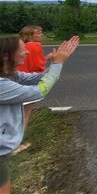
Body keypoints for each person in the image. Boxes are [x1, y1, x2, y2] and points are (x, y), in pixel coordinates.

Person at [0, 35, 80, 194]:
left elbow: (38, 79)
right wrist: (57, 64)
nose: (27, 53)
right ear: (6, 56)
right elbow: (39, 91)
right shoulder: (2, 84)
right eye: (22, 50)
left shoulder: (11, 75)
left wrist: (55, 63)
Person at [15, 26, 47, 141]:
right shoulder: (35, 45)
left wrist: (46, 58)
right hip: (28, 82)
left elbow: (31, 61)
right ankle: (17, 142)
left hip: (16, 80)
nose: (41, 35)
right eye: (38, 33)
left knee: (15, 113)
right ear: (30, 35)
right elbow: (39, 66)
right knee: (25, 114)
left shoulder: (22, 46)